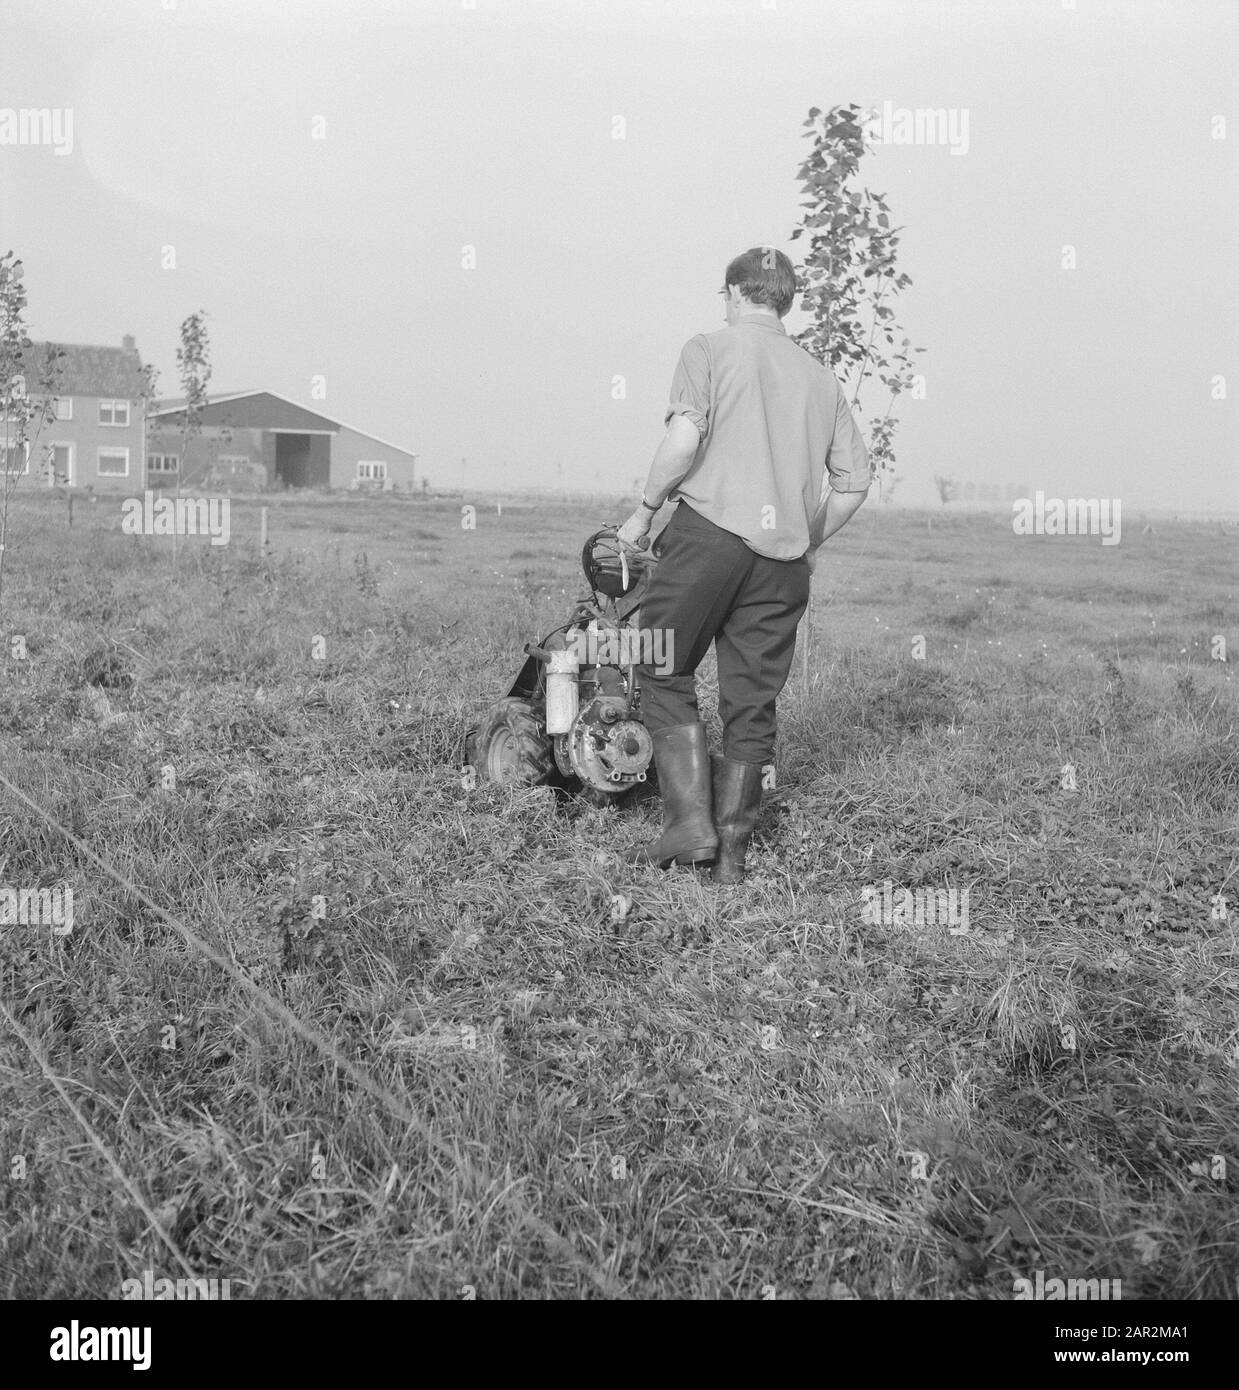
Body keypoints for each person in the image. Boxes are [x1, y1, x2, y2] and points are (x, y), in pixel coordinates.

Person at [617, 247, 872, 884]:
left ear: (735, 293)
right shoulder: (821, 378)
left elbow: (683, 439)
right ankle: (730, 854)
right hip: (782, 561)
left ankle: (688, 827)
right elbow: (854, 483)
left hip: (709, 537)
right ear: (783, 302)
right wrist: (805, 539)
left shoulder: (707, 348)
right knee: (751, 704)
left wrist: (644, 513)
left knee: (659, 660)